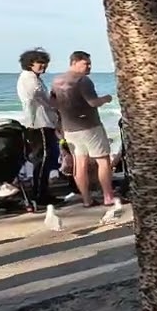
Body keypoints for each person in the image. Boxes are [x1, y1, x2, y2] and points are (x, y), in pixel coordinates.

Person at [50, 51, 116, 206]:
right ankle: (108, 196)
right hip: (89, 126)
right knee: (103, 160)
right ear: (74, 62)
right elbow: (93, 102)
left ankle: (86, 199)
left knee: (80, 164)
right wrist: (106, 99)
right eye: (86, 63)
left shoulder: (56, 80)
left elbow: (52, 104)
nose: (89, 67)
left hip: (70, 129)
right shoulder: (83, 81)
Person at [16, 48, 60, 207]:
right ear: (30, 63)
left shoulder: (35, 78)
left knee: (46, 160)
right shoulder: (28, 78)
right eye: (40, 63)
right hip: (38, 124)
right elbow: (36, 95)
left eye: (45, 63)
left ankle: (43, 193)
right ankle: (39, 195)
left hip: (44, 122)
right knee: (42, 160)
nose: (43, 66)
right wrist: (52, 101)